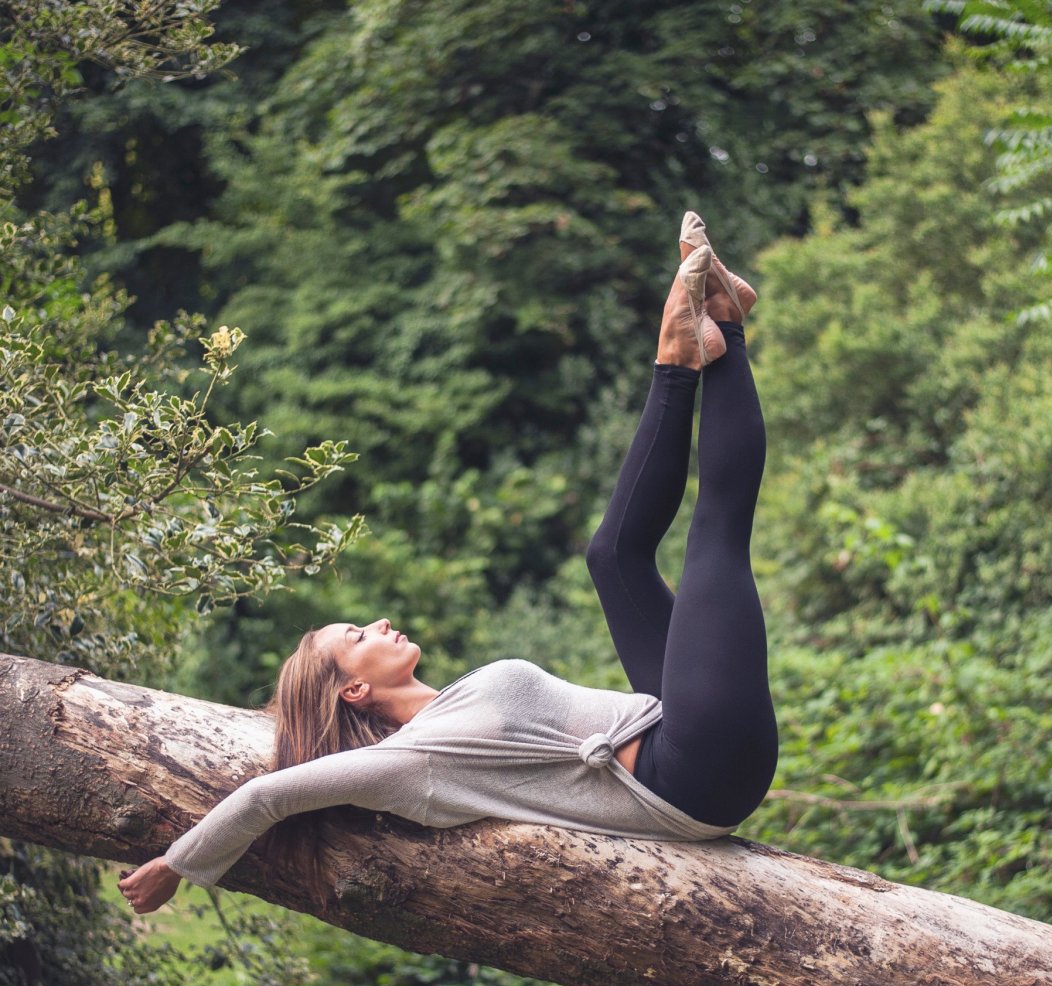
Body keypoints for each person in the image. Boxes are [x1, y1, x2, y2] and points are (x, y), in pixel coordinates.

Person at [117, 212, 778, 917]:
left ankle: (681, 356)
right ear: (352, 694)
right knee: (716, 533)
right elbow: (269, 794)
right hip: (696, 772)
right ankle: (726, 331)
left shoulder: (451, 706)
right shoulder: (411, 766)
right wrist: (177, 863)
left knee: (611, 557)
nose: (377, 624)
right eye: (357, 638)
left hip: (673, 726)